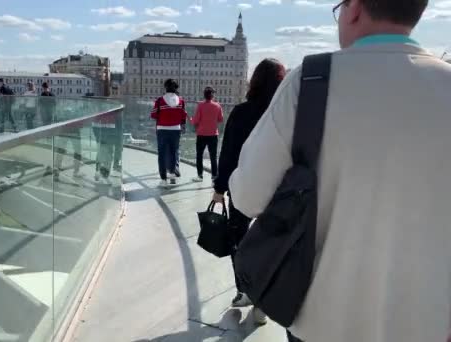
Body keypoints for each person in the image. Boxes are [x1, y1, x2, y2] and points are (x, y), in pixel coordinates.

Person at [228, 1, 451, 341]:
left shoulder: (311, 81)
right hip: (427, 321)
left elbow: (247, 196)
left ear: (355, 9)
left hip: (320, 319)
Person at [213, 58, 286, 325]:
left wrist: (219, 187)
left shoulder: (241, 112)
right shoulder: (285, 113)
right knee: (273, 244)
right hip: (279, 189)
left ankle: (244, 290)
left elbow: (228, 153)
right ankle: (264, 300)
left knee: (239, 240)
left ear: (253, 81)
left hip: (243, 185)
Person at [151, 79, 187, 187]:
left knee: (162, 153)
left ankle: (163, 179)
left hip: (162, 129)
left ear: (165, 88)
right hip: (176, 129)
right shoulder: (181, 101)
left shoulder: (160, 100)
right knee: (173, 151)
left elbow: (153, 115)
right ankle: (172, 172)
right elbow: (183, 116)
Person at [190, 87, 224, 182]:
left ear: (204, 95)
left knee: (199, 155)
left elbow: (196, 120)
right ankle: (214, 176)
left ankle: (200, 176)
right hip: (213, 134)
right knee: (213, 156)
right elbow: (220, 119)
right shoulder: (217, 105)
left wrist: (191, 120)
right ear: (212, 95)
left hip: (201, 134)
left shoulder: (200, 105)